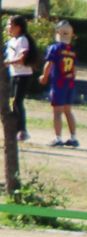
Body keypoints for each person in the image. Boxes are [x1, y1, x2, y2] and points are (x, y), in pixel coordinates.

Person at [41, 21, 78, 148]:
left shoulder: (55, 48)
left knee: (57, 111)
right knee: (68, 111)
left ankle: (58, 138)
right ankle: (73, 137)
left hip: (59, 83)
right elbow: (74, 69)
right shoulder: (72, 50)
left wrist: (44, 76)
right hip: (69, 83)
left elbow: (49, 64)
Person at [5, 15, 33, 143]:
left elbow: (22, 58)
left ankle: (22, 130)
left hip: (23, 74)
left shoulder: (22, 40)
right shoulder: (11, 41)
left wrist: (8, 62)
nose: (8, 27)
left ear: (18, 27)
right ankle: (16, 129)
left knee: (17, 101)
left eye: (10, 25)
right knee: (14, 101)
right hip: (14, 74)